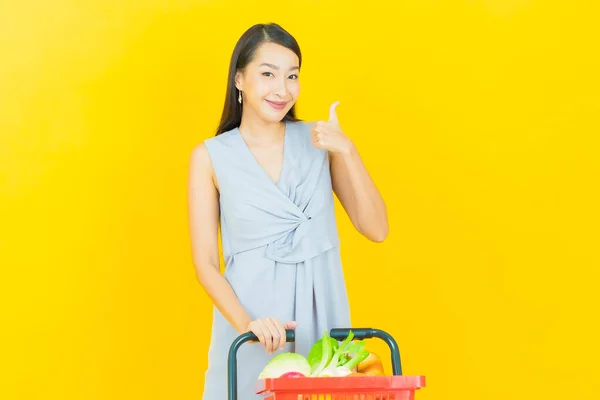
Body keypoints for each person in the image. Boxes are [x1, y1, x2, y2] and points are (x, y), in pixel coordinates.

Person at [187, 23, 388, 400]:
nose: (283, 89)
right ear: (240, 79)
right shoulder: (209, 157)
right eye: (268, 74)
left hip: (323, 331)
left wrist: (348, 151)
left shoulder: (319, 140)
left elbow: (376, 228)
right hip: (253, 333)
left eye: (292, 75)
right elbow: (205, 264)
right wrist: (251, 326)